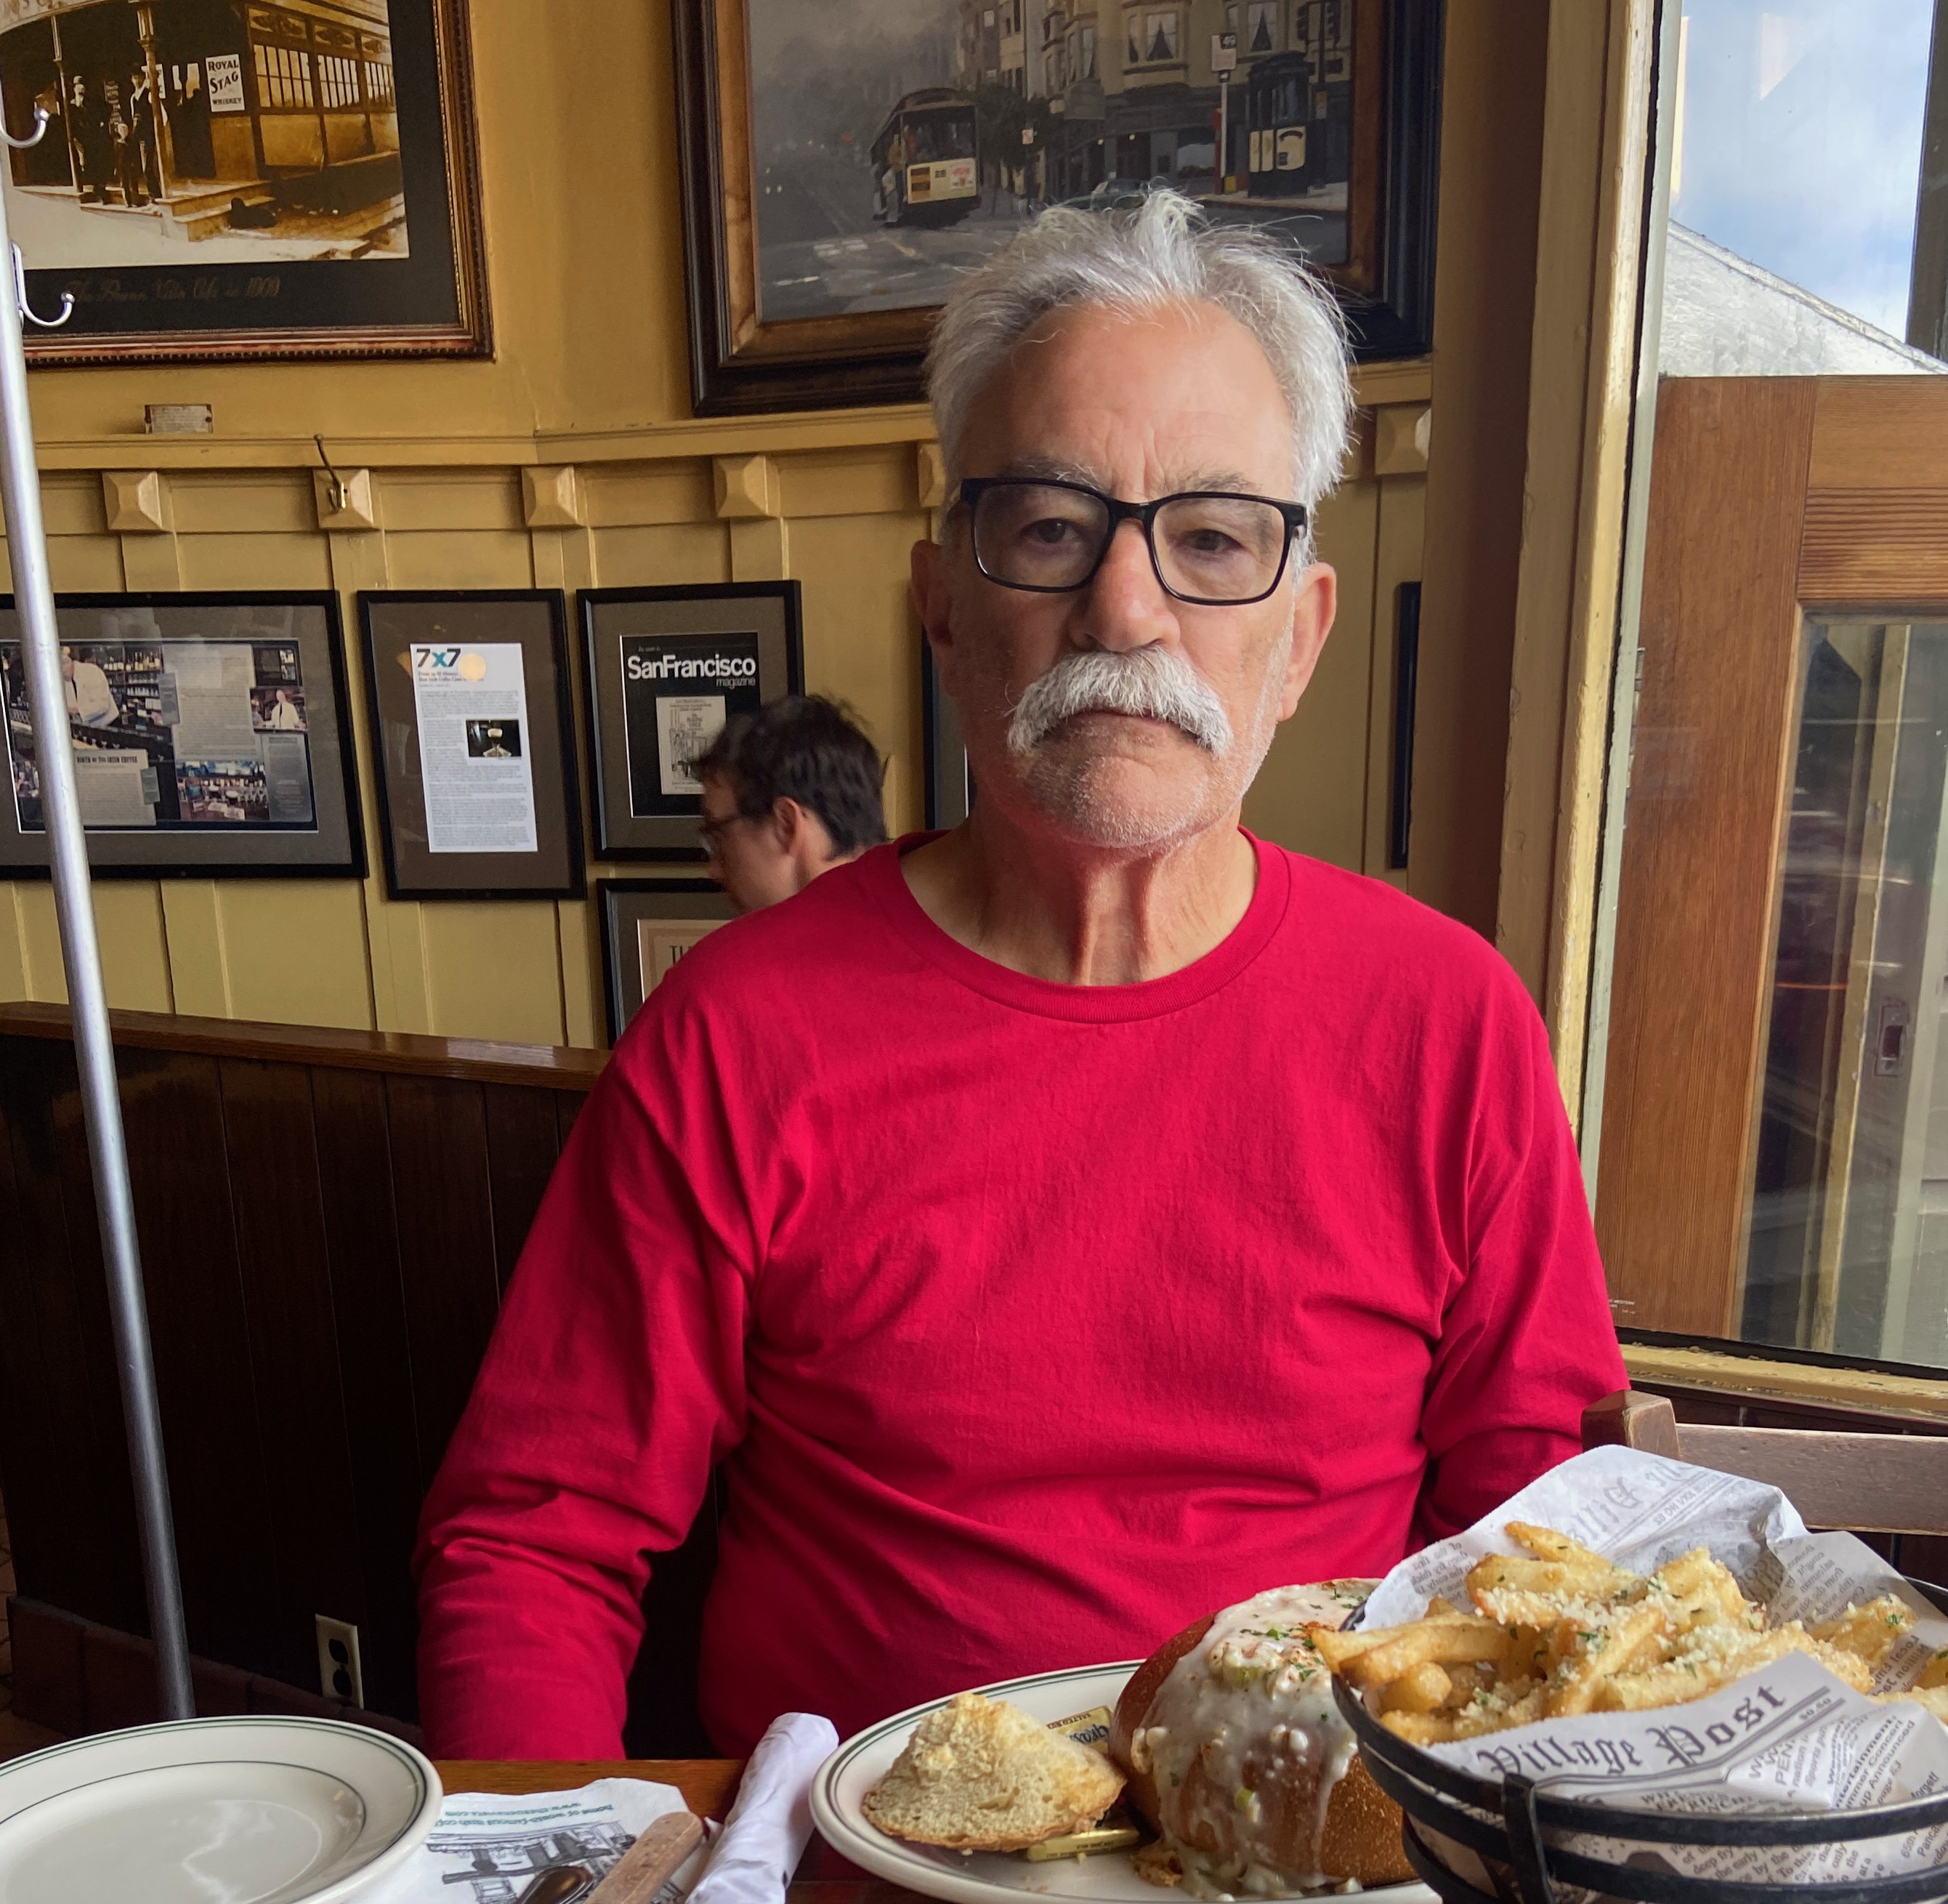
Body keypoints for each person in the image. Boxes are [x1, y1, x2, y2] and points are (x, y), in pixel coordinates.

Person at [414, 193, 1625, 1757]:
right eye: (1051, 529)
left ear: (1303, 640)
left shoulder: (1449, 1021)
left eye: (1211, 540)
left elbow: (1534, 1555)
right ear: (942, 609)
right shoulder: (738, 1031)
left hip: (1309, 1899)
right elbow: (537, 1538)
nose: (1126, 608)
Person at [693, 694, 888, 913]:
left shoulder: (737, 948)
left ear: (786, 825)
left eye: (719, 835)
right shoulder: (921, 929)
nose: (714, 870)